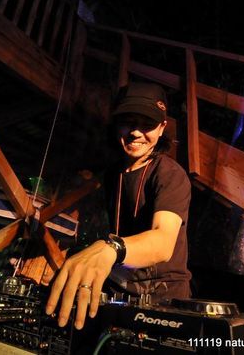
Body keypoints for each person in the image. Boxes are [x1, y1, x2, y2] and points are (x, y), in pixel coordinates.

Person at [45, 82, 192, 330]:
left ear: (162, 128)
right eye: (128, 122)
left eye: (147, 124)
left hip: (163, 299)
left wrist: (111, 247)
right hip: (119, 292)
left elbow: (163, 242)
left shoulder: (169, 174)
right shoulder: (114, 173)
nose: (135, 132)